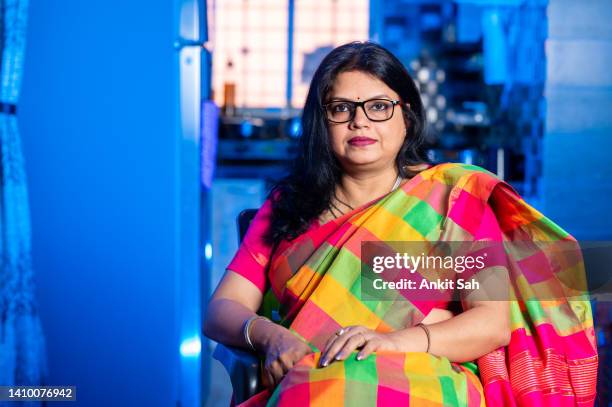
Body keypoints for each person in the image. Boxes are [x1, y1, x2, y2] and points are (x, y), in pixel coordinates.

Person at [204, 41, 598, 406]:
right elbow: (223, 308)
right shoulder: (287, 206)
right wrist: (270, 336)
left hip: (419, 374)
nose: (359, 121)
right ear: (320, 122)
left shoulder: (450, 199)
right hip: (311, 375)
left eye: (378, 106)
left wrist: (394, 342)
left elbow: (491, 324)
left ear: (406, 117)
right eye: (340, 108)